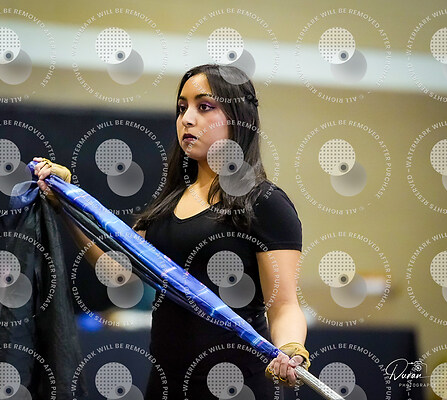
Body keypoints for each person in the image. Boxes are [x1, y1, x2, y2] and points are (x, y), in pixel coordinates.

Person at [34, 64, 309, 399]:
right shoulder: (167, 204)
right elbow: (117, 271)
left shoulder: (265, 203)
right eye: (182, 108)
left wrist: (291, 349)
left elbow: (283, 305)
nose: (187, 119)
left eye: (204, 107)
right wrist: (66, 204)